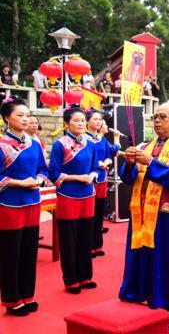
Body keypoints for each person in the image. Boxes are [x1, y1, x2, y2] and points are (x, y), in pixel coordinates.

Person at [119, 104, 169, 331]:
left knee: (168, 260)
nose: (157, 121)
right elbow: (128, 178)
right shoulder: (145, 146)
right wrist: (130, 162)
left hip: (167, 216)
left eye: (163, 117)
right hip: (141, 212)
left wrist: (150, 162)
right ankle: (138, 293)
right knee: (141, 254)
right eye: (155, 116)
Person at [0, 97, 47, 316]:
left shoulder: (34, 143)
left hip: (33, 202)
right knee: (11, 253)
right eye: (20, 115)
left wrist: (39, 178)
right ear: (7, 118)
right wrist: (20, 182)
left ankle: (27, 295)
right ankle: (12, 299)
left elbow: (43, 169)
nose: (26, 118)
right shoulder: (2, 145)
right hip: (9, 205)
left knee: (29, 250)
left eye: (28, 115)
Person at [48, 104, 100, 294]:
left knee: (85, 238)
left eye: (82, 120)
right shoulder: (60, 145)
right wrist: (77, 177)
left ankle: (85, 277)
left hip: (88, 195)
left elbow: (95, 167)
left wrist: (92, 176)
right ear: (67, 123)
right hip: (68, 195)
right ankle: (71, 280)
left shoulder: (90, 143)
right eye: (76, 120)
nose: (80, 123)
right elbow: (53, 173)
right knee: (69, 239)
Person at [85, 109, 120, 258]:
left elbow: (109, 157)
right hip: (88, 180)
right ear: (87, 122)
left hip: (102, 178)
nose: (98, 122)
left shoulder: (103, 140)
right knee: (89, 214)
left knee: (99, 212)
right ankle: (87, 246)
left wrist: (105, 162)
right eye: (95, 119)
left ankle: (96, 246)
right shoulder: (83, 139)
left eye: (100, 119)